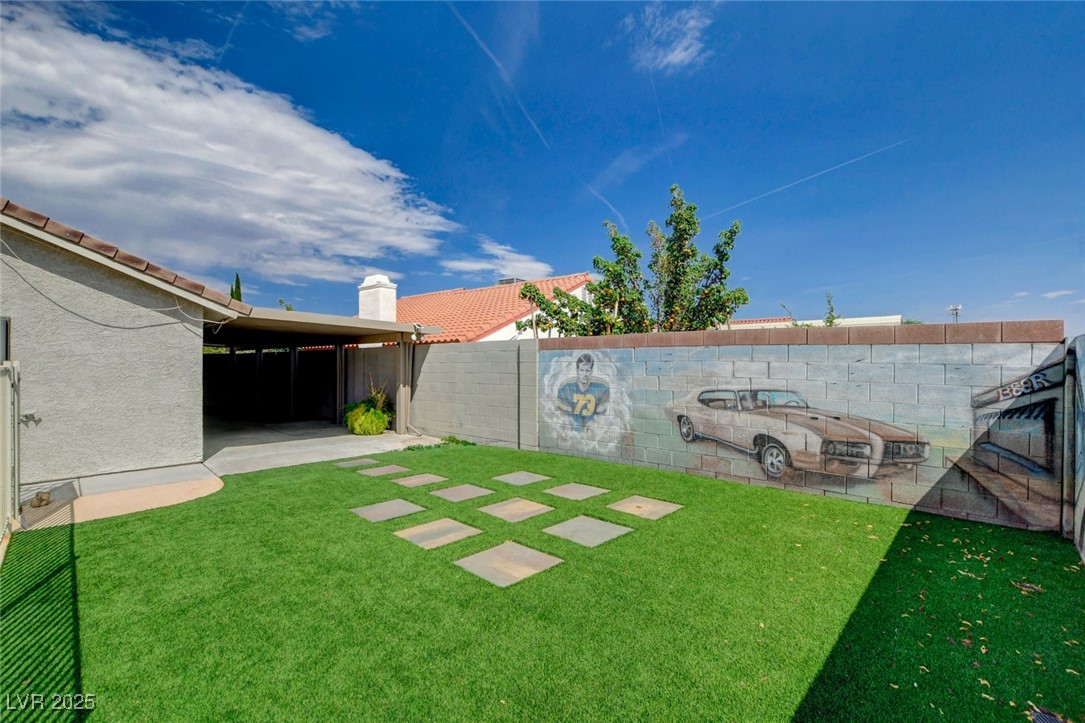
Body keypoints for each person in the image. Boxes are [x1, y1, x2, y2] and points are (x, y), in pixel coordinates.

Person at [557, 353, 609, 429]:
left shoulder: (602, 388)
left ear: (591, 371)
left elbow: (601, 419)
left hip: (592, 431)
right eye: (582, 370)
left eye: (587, 370)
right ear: (577, 370)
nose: (584, 374)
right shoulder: (566, 387)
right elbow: (563, 418)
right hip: (571, 431)